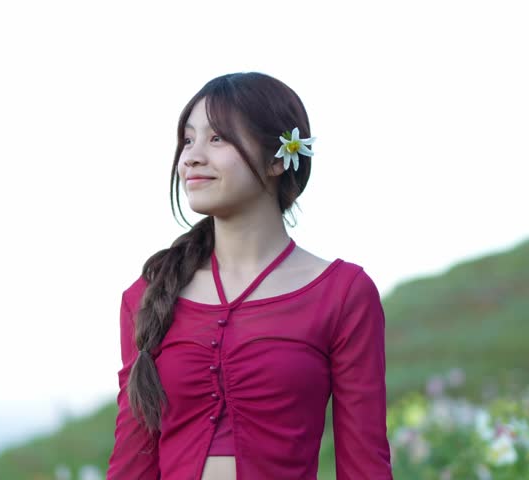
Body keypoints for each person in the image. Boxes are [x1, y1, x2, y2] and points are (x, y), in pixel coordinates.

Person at [107, 72, 392, 479]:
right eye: (188, 139)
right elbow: (131, 463)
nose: (191, 157)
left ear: (278, 157)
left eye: (217, 138)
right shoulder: (148, 296)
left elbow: (364, 464)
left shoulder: (343, 294)